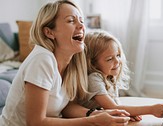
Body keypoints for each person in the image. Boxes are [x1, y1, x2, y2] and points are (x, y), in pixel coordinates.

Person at [0, 1, 131, 126]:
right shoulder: (42, 59)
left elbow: (66, 106)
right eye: (71, 21)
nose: (81, 26)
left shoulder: (72, 61)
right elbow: (35, 122)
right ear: (49, 32)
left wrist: (95, 113)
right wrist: (93, 121)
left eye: (81, 21)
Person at [80, 30, 163, 121]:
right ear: (92, 63)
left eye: (118, 55)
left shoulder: (109, 76)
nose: (117, 61)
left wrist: (126, 113)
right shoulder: (94, 79)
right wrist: (151, 109)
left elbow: (115, 104)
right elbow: (112, 107)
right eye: (109, 59)